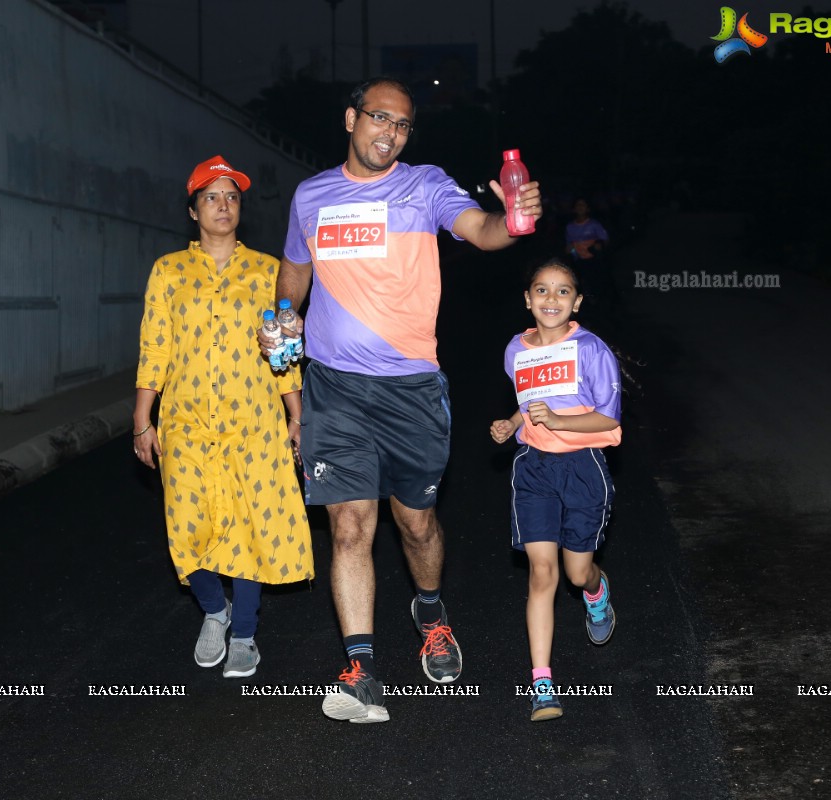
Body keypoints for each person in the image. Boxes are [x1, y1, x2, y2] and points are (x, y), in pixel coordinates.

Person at [273, 77, 543, 723]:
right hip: (333, 386)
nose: (389, 133)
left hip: (412, 389)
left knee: (416, 523)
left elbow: (479, 230)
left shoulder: (423, 185)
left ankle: (429, 608)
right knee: (348, 525)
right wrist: (283, 319)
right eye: (378, 118)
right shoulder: (311, 196)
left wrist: (511, 218)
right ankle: (361, 669)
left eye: (401, 125)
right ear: (350, 119)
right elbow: (294, 274)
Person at [134, 155, 312, 679]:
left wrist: (296, 417)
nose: (223, 206)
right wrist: (143, 420)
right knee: (185, 529)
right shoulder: (169, 271)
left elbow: (283, 352)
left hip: (252, 420)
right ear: (193, 210)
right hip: (186, 422)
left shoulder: (266, 271)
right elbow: (154, 347)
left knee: (249, 526)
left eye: (231, 197)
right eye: (211, 197)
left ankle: (244, 632)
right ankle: (215, 608)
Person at [488, 259, 621, 721]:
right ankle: (542, 684)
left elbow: (609, 417)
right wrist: (512, 422)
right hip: (534, 469)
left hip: (583, 467)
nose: (551, 299)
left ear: (577, 302)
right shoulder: (515, 349)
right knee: (541, 574)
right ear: (527, 300)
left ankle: (596, 591)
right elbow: (530, 404)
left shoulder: (591, 349)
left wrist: (559, 421)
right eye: (541, 290)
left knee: (575, 572)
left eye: (562, 291)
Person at [564, 198, 614, 317]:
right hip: (578, 261)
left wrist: (598, 245)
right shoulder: (569, 227)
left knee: (596, 285)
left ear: (588, 209)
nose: (580, 207)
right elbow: (568, 245)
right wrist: (569, 250)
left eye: (583, 205)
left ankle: (600, 311)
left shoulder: (594, 224)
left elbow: (605, 240)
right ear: (574, 209)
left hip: (594, 260)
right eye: (578, 205)